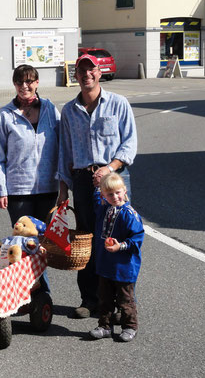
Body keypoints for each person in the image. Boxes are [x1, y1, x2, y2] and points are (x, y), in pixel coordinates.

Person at [57, 53, 137, 319]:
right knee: (87, 242)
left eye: (91, 70)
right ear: (76, 75)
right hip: (81, 180)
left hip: (112, 181)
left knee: (116, 240)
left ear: (99, 73)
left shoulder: (118, 104)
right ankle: (90, 300)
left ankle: (118, 304)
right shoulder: (69, 110)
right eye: (81, 70)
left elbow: (129, 144)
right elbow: (65, 152)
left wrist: (109, 168)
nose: (86, 75)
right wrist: (63, 188)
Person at [0, 64, 60, 226]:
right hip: (18, 190)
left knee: (45, 242)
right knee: (23, 241)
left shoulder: (49, 109)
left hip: (48, 187)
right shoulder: (5, 115)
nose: (24, 86)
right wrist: (0, 191)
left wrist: (63, 183)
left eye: (29, 81)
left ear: (37, 82)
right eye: (19, 82)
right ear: (14, 84)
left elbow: (62, 146)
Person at [89, 173, 143, 342]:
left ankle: (129, 326)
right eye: (109, 194)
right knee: (104, 298)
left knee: (125, 299)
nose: (115, 197)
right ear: (104, 195)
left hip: (124, 266)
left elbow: (136, 239)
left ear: (124, 190)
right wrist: (98, 187)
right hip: (105, 264)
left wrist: (120, 246)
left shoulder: (129, 214)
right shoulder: (105, 209)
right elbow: (97, 200)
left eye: (118, 192)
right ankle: (105, 326)